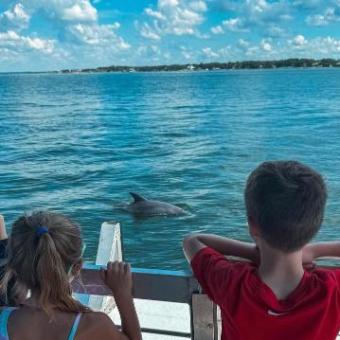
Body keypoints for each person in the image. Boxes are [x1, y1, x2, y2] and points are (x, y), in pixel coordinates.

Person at [183, 160, 340, 340]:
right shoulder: (331, 290)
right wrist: (312, 251)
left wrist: (254, 253)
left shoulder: (232, 282)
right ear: (315, 226)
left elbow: (193, 241)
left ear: (252, 226)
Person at [0, 211, 142, 340]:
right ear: (77, 267)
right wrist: (123, 295)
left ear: (14, 267)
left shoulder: (3, 319)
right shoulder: (94, 325)